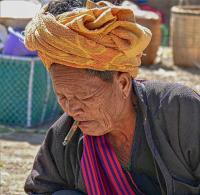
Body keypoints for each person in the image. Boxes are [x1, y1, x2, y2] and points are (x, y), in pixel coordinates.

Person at [24, 0, 200, 194]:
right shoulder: (65, 134)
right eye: (62, 97)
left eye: (85, 97)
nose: (72, 109)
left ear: (123, 84)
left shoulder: (179, 111)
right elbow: (40, 189)